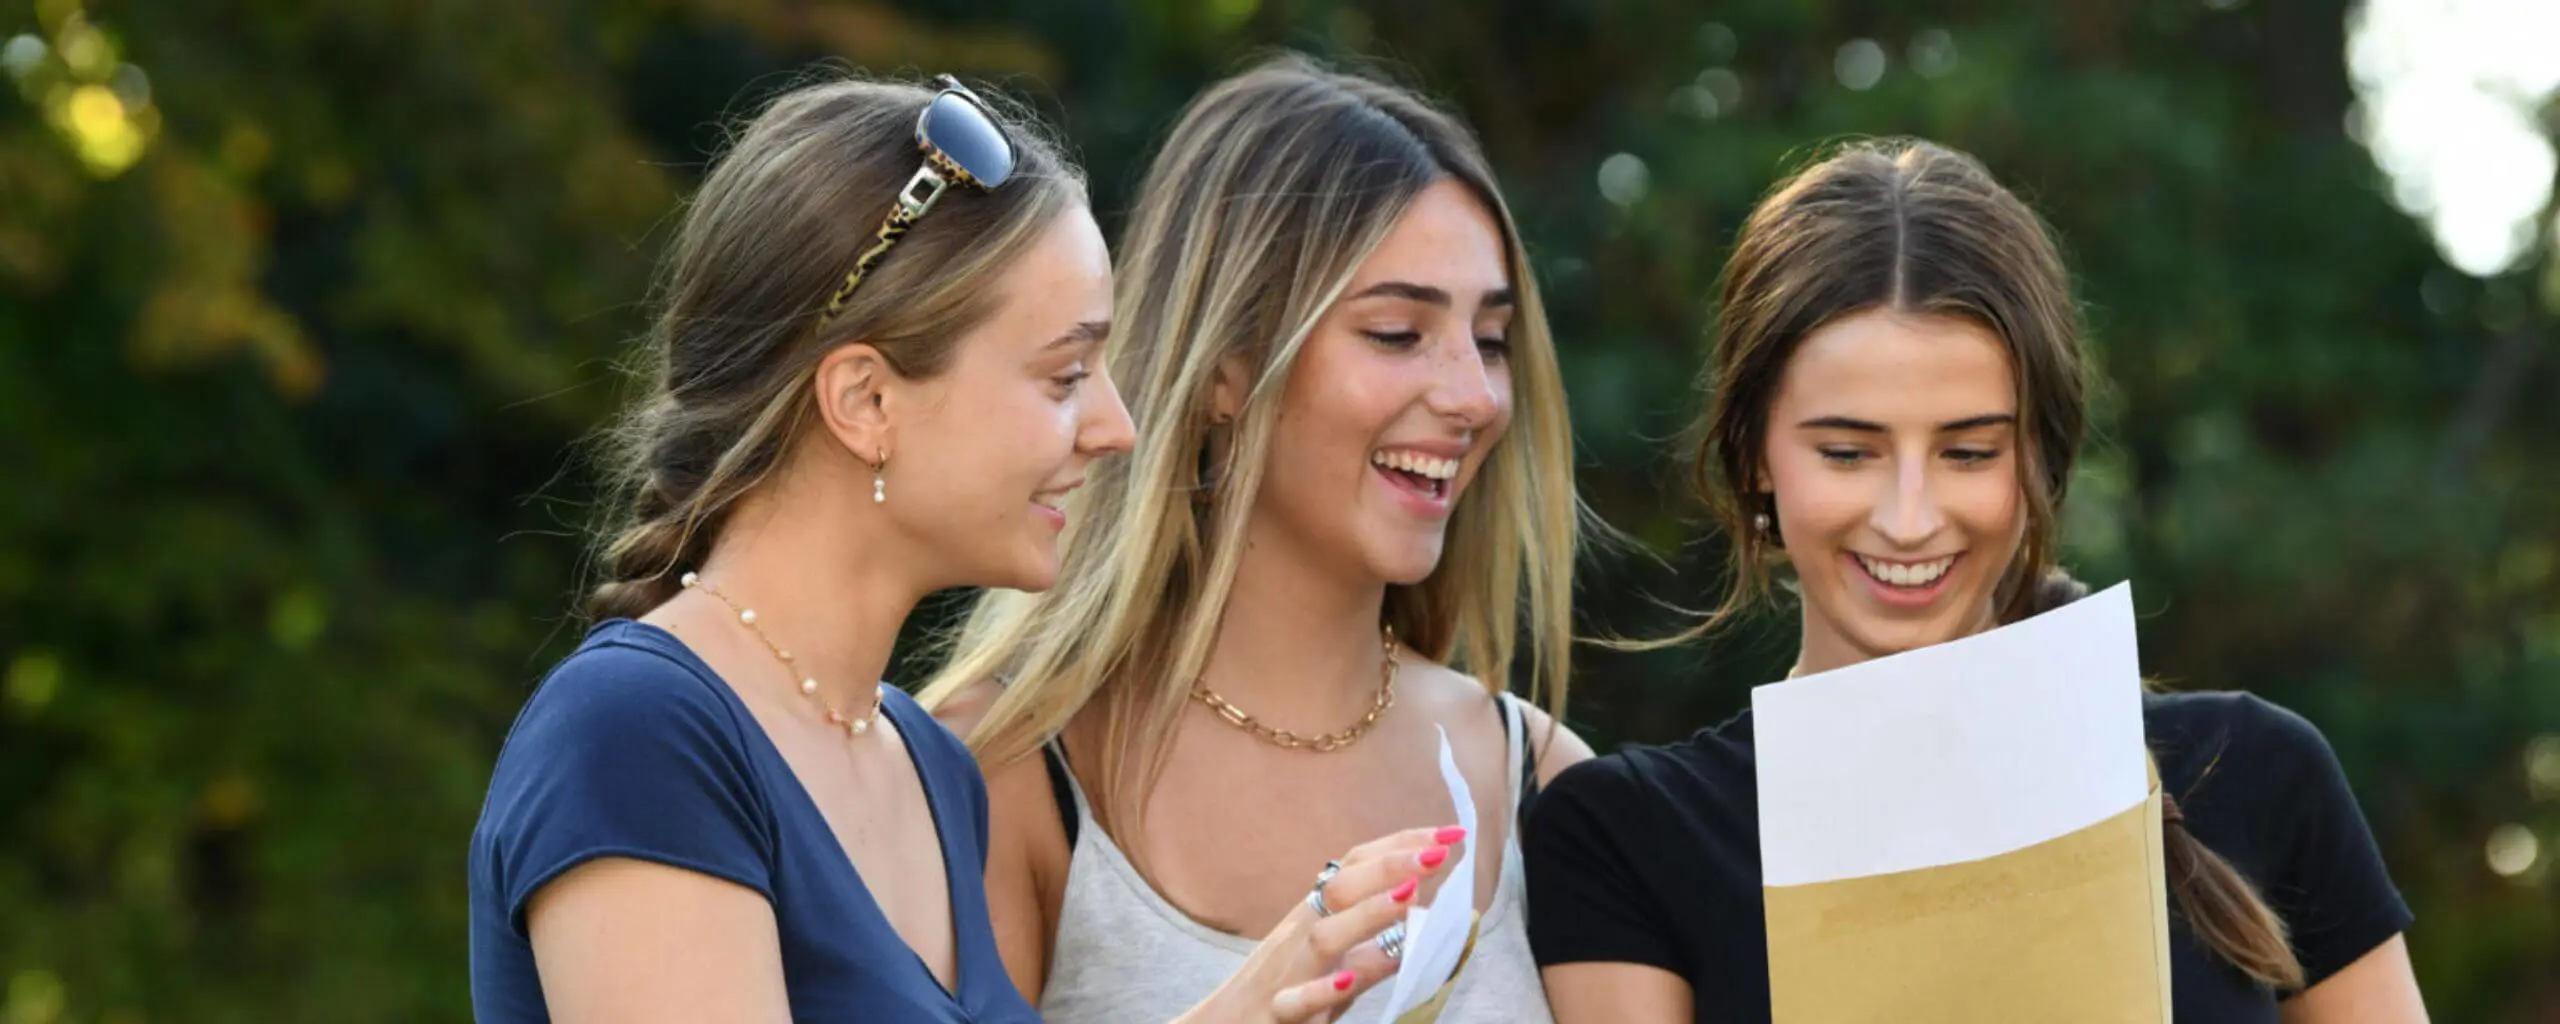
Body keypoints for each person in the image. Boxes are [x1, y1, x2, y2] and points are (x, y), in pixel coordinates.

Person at [468, 72, 1438, 1023]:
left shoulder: (932, 770)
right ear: (866, 402)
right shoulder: (640, 734)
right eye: (1063, 375)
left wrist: (1252, 1005)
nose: (1117, 427)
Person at [1522, 138, 2429, 1024]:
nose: (1909, 516)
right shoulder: (1627, 836)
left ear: (2038, 460)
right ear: (1757, 453)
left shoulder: (2258, 775)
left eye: (1967, 451)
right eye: (1847, 451)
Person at [921, 55, 1592, 1023]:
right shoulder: (1003, 764)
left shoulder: (1541, 777)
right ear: (1226, 368)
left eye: (1489, 340)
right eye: (1398, 332)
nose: (1473, 396)